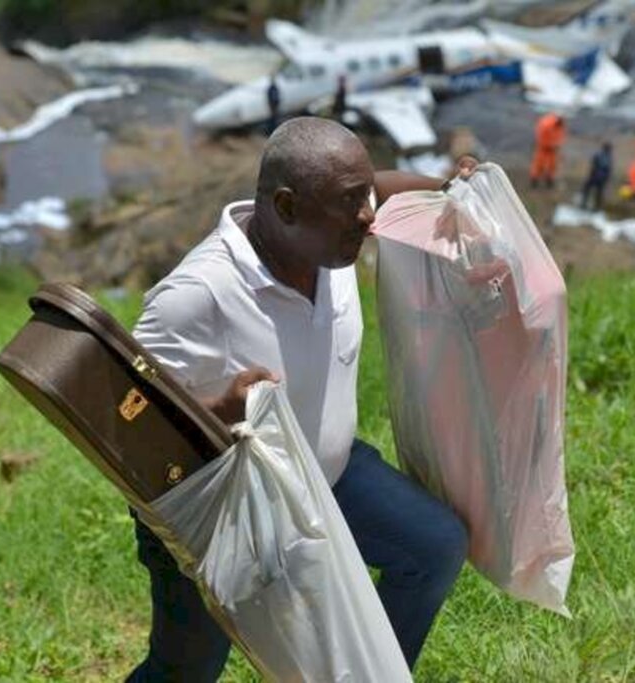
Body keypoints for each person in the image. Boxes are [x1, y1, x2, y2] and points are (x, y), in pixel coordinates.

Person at [128, 117, 474, 682]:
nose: (368, 215)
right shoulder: (196, 297)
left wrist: (445, 187)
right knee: (186, 669)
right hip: (223, 517)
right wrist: (220, 408)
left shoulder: (331, 237)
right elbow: (127, 423)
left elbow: (377, 191)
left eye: (364, 197)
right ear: (286, 208)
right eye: (349, 202)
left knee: (432, 547)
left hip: (327, 477)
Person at [530, 113, 565, 189]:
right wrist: (550, 144)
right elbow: (540, 137)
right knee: (540, 164)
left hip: (553, 149)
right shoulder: (546, 125)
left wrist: (558, 144)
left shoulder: (561, 126)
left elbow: (560, 136)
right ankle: (534, 181)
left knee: (553, 165)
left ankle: (550, 181)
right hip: (543, 147)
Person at [580, 142, 613, 211]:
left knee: (590, 190)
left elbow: (594, 165)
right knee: (595, 192)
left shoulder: (601, 155)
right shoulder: (607, 157)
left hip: (596, 176)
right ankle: (593, 206)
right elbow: (608, 169)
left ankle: (586, 205)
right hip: (598, 177)